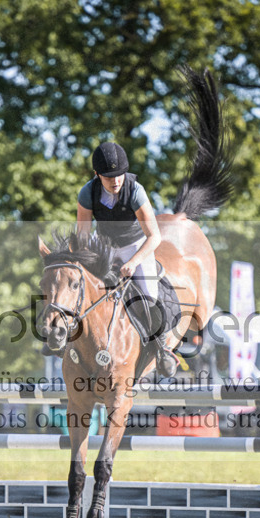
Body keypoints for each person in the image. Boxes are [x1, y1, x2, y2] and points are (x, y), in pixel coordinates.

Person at [76, 141, 178, 376]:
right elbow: (82, 236)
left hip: (137, 246)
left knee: (149, 296)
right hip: (104, 247)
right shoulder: (87, 192)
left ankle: (162, 348)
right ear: (97, 174)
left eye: (119, 175)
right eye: (109, 176)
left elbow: (154, 236)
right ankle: (62, 335)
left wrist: (133, 261)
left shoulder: (135, 190)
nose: (116, 181)